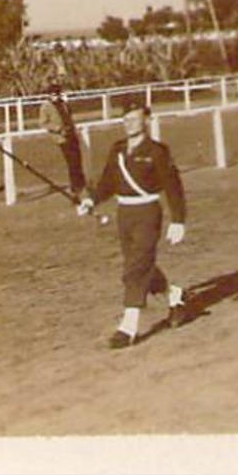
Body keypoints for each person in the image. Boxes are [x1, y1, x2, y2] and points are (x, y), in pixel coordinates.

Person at [77, 101, 188, 349]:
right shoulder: (117, 150)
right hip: (124, 213)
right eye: (126, 119)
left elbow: (173, 187)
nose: (130, 124)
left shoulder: (158, 151)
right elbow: (107, 183)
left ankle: (128, 327)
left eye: (135, 119)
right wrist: (90, 200)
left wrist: (178, 220)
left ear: (146, 121)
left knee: (135, 268)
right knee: (140, 264)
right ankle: (174, 296)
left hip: (148, 211)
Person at [39, 80, 88, 200]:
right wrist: (58, 129)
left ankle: (82, 185)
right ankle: (76, 187)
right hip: (61, 138)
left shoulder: (64, 104)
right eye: (53, 94)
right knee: (72, 162)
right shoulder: (46, 106)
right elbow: (43, 123)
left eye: (57, 93)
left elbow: (69, 117)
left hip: (71, 135)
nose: (56, 96)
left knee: (78, 160)